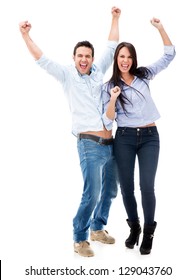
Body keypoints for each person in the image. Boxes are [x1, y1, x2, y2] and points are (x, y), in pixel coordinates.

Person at [19, 6, 121, 257]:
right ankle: (79, 237)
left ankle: (98, 228)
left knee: (110, 190)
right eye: (80, 56)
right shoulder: (66, 75)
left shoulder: (99, 71)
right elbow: (42, 59)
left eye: (87, 55)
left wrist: (115, 18)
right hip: (89, 144)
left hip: (111, 143)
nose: (84, 60)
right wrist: (26, 36)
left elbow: (111, 45)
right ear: (74, 58)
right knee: (93, 191)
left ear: (92, 58)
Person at [102, 18, 176, 255]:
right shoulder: (109, 86)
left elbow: (169, 55)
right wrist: (113, 98)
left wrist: (161, 28)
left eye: (129, 57)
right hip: (123, 137)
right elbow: (108, 119)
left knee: (147, 186)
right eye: (121, 56)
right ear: (116, 59)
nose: (125, 60)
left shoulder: (144, 75)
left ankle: (148, 231)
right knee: (126, 187)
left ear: (133, 59)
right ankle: (133, 227)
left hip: (149, 137)